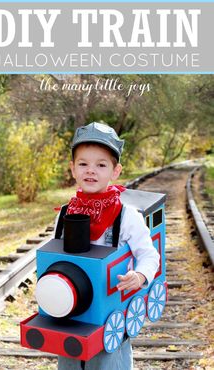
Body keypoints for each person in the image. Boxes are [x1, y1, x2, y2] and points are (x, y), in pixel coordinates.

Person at [55, 122, 160, 370]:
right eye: (83, 164)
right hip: (71, 311)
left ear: (115, 171)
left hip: (110, 317)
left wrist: (140, 275)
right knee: (69, 359)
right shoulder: (64, 214)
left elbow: (149, 255)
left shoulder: (126, 215)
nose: (91, 171)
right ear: (72, 169)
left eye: (101, 165)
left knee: (108, 362)